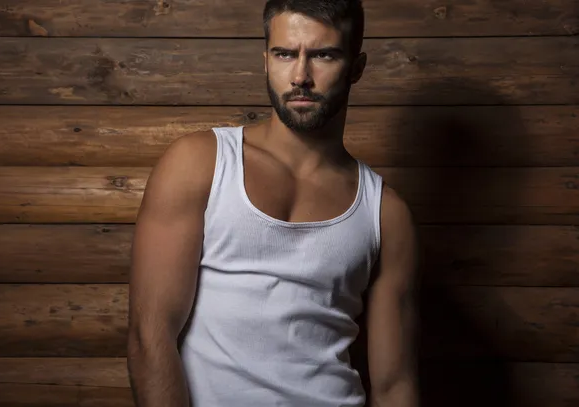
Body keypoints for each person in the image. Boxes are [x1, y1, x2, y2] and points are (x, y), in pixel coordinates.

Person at [127, 0, 420, 406]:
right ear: (266, 60)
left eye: (323, 55)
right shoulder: (200, 163)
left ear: (356, 67)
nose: (301, 76)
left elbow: (394, 385)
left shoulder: (386, 212)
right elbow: (150, 334)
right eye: (285, 53)